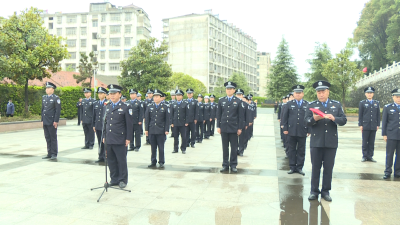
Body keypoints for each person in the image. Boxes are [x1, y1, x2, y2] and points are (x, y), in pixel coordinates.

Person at [305, 80, 347, 202]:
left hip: (331, 142)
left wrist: (334, 118)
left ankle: (325, 191)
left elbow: (343, 120)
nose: (321, 94)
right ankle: (314, 191)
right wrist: (314, 119)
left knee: (328, 168)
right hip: (316, 142)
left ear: (328, 92)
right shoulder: (311, 105)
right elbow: (306, 121)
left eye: (323, 91)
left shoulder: (336, 105)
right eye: (318, 92)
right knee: (315, 167)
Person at [102, 84, 133, 188]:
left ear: (120, 94)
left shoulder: (125, 107)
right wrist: (104, 136)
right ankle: (114, 179)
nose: (112, 95)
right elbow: (105, 123)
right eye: (110, 93)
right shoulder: (108, 106)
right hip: (109, 138)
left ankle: (123, 180)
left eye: (114, 93)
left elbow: (129, 124)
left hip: (120, 138)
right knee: (111, 160)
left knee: (121, 161)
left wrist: (128, 138)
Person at [282, 85, 310, 175]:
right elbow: (284, 117)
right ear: (293, 94)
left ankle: (299, 167)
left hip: (302, 130)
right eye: (296, 93)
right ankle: (292, 167)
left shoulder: (307, 104)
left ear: (302, 94)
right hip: (291, 130)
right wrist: (285, 128)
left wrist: (309, 129)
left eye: (299, 93)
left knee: (301, 150)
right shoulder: (289, 104)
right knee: (292, 149)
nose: (298, 94)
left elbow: (309, 118)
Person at [217, 81, 245, 173]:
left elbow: (241, 116)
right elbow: (219, 114)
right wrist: (218, 126)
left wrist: (240, 128)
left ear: (234, 90)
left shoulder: (238, 101)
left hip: (234, 128)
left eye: (230, 89)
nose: (228, 91)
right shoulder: (221, 100)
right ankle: (225, 165)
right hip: (224, 127)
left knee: (233, 148)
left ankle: (233, 165)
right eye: (227, 89)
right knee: (225, 148)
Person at [145, 89, 170, 168]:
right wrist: (146, 130)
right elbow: (147, 119)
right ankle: (153, 161)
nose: (155, 98)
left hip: (161, 130)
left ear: (160, 97)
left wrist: (166, 129)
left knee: (161, 147)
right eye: (154, 97)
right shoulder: (149, 107)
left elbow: (167, 119)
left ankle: (161, 161)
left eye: (157, 97)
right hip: (152, 130)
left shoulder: (165, 107)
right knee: (153, 147)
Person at [382, 89, 400, 179]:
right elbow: (384, 122)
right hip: (391, 134)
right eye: (397, 97)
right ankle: (387, 171)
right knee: (390, 154)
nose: (399, 99)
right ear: (393, 97)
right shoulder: (388, 107)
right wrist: (384, 134)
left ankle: (398, 172)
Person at [358, 86, 380, 162]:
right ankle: (364, 156)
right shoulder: (362, 103)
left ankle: (370, 156)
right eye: (368, 93)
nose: (369, 94)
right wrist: (360, 125)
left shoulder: (376, 103)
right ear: (365, 94)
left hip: (373, 125)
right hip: (365, 125)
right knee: (365, 141)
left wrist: (378, 124)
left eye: (371, 93)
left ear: (373, 94)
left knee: (371, 142)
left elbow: (378, 115)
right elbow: (360, 115)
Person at [41, 82, 61, 160]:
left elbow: (57, 111)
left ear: (53, 90)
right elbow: (43, 109)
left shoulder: (56, 98)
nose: (47, 89)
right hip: (45, 121)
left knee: (53, 137)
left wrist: (56, 121)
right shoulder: (44, 97)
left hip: (52, 121)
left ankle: (54, 153)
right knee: (47, 137)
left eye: (49, 88)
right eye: (46, 88)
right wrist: (42, 119)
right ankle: (49, 153)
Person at [170, 89, 189, 154]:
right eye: (177, 95)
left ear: (182, 96)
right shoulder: (173, 104)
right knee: (175, 137)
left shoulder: (185, 104)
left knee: (183, 137)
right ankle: (175, 149)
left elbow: (187, 114)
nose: (178, 97)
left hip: (182, 123)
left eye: (179, 95)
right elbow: (171, 114)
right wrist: (171, 122)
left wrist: (186, 122)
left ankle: (183, 148)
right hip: (175, 123)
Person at [92, 87, 108, 163]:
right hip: (98, 125)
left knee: (105, 142)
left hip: (104, 126)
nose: (99, 95)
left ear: (105, 94)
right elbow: (94, 115)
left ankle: (106, 156)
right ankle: (100, 156)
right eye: (99, 93)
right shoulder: (96, 103)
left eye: (101, 93)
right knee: (99, 141)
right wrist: (94, 125)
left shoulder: (107, 103)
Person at [235, 89, 251, 157]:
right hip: (234, 124)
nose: (238, 96)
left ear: (242, 95)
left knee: (241, 139)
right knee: (234, 139)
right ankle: (235, 150)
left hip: (242, 124)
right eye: (237, 95)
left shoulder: (245, 104)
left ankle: (241, 151)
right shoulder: (233, 103)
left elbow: (247, 115)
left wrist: (247, 124)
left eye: (240, 95)